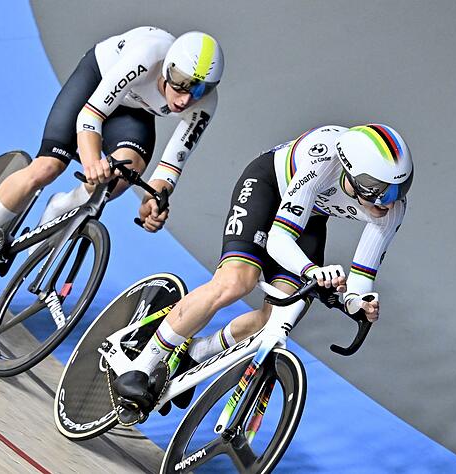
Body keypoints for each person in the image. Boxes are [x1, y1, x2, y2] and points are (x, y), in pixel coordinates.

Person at [114, 123, 414, 414]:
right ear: (353, 174)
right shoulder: (323, 161)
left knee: (280, 316)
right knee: (236, 282)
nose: (389, 202)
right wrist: (311, 270)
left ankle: (196, 354)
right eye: (382, 191)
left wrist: (357, 302)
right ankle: (141, 366)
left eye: (399, 189)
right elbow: (279, 239)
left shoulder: (393, 207)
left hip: (308, 217)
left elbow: (362, 275)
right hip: (267, 188)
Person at [0, 27, 224, 291]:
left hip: (134, 111)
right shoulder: (147, 56)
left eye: (200, 89)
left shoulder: (204, 106)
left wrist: (153, 202)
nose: (186, 100)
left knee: (125, 173)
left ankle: (62, 206)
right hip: (96, 84)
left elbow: (170, 167)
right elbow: (91, 115)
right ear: (167, 68)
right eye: (181, 84)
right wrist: (91, 163)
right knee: (47, 167)